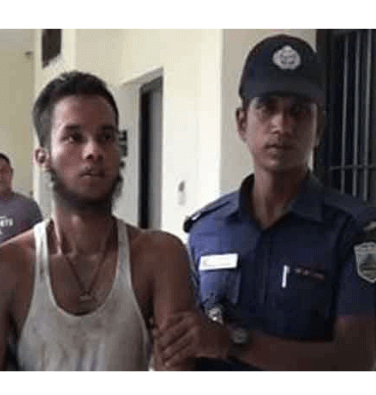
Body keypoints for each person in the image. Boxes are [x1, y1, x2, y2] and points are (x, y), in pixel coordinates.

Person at [153, 34, 376, 370]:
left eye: (298, 112)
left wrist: (231, 341)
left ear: (319, 128)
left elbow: (355, 361)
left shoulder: (353, 231)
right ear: (242, 122)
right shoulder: (206, 230)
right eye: (267, 107)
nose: (282, 125)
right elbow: (181, 343)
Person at [0, 71, 195, 371]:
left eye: (106, 137)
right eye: (74, 137)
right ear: (42, 157)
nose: (93, 151)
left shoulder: (160, 257)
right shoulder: (6, 268)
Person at [0, 152, 43, 253]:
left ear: (11, 173)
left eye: (3, 171)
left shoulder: (29, 206)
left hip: (20, 261)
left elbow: (41, 242)